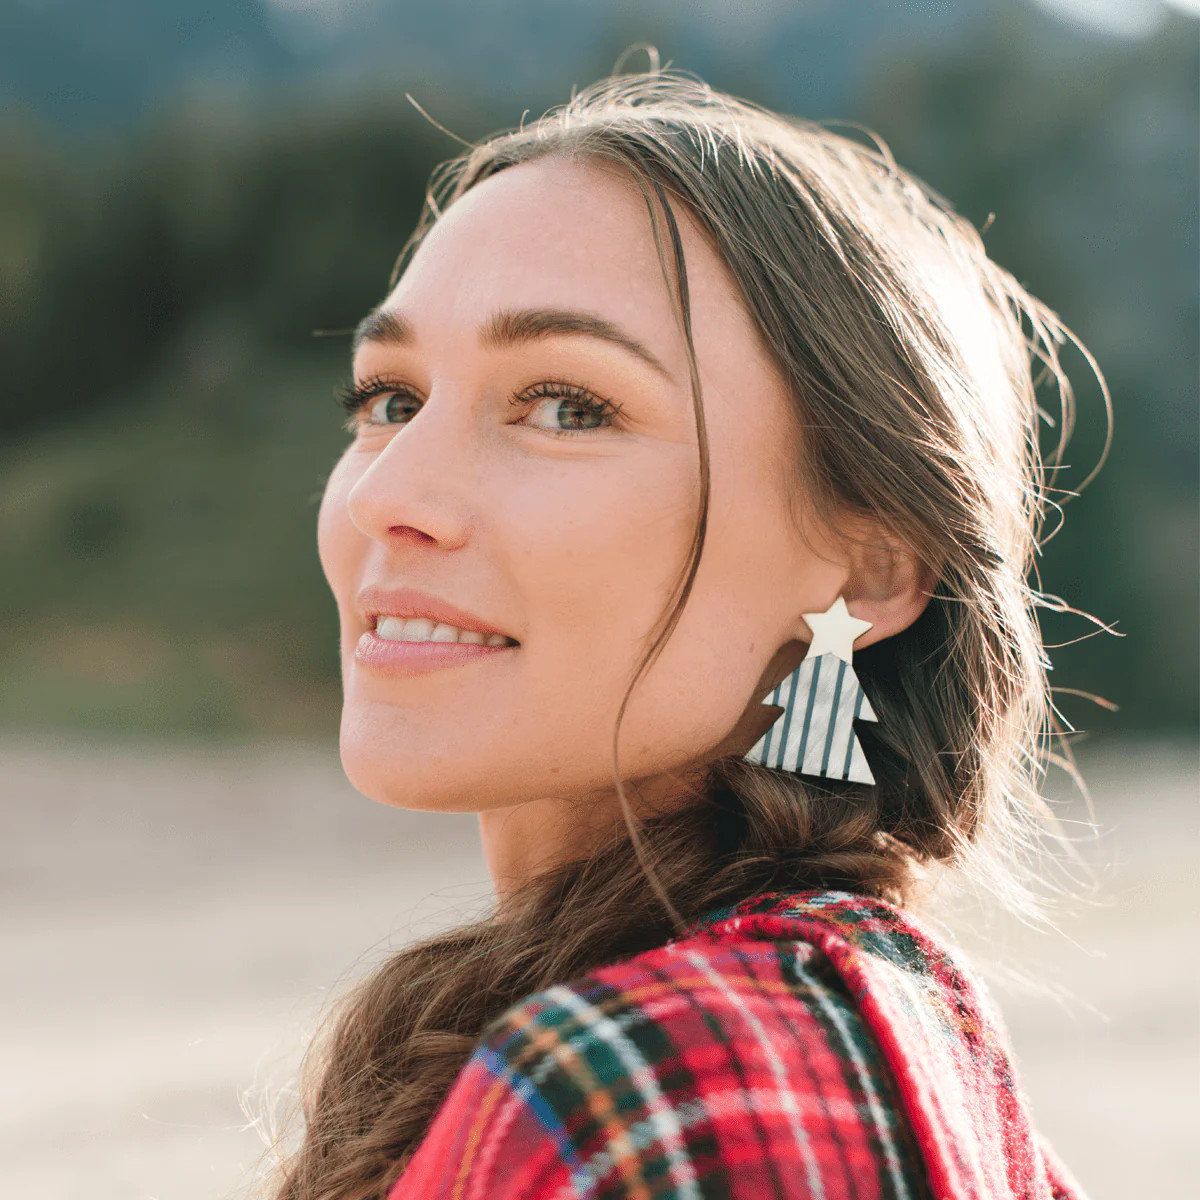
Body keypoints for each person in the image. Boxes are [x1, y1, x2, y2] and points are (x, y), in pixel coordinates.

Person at [265, 64, 1108, 1199]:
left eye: (566, 404)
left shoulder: (682, 1085)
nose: (385, 495)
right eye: (389, 400)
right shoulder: (836, 1016)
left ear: (874, 564)